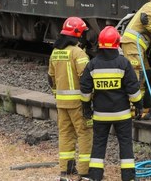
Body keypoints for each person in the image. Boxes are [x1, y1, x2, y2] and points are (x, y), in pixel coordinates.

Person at [80, 26, 142, 181]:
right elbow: (133, 88)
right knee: (125, 144)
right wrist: (139, 105)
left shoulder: (92, 64)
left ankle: (95, 176)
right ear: (117, 43)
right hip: (122, 114)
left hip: (100, 115)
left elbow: (85, 89)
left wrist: (86, 107)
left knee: (99, 144)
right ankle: (128, 177)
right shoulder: (123, 63)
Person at [47, 17, 92, 181]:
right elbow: (86, 79)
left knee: (65, 134)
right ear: (78, 34)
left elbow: (50, 78)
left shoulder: (55, 52)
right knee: (85, 134)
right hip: (78, 103)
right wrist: (89, 100)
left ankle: (65, 171)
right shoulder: (77, 52)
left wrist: (56, 95)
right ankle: (85, 172)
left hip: (61, 103)